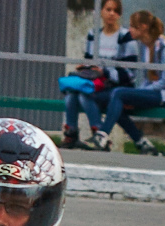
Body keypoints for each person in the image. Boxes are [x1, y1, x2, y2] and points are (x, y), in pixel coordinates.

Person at [90, 10, 165, 156]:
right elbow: (149, 78)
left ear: (143, 27)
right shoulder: (145, 47)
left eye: (133, 26)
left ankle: (102, 135)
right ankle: (141, 142)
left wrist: (144, 92)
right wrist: (139, 93)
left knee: (118, 93)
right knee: (107, 98)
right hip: (154, 92)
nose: (130, 30)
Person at [60, 0, 142, 150]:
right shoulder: (94, 34)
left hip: (115, 85)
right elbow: (89, 60)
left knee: (85, 95)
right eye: (108, 9)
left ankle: (99, 134)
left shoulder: (125, 37)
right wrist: (85, 67)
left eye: (115, 11)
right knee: (72, 92)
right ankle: (71, 133)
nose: (111, 14)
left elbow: (130, 73)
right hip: (96, 81)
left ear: (119, 15)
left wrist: (105, 72)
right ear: (101, 12)